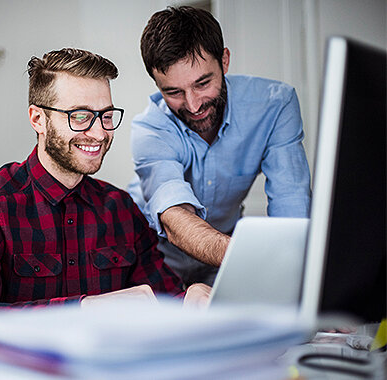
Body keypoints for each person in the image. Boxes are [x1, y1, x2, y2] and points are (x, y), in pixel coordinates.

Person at [0, 47, 210, 309]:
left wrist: (188, 299)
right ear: (38, 119)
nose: (99, 133)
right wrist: (84, 308)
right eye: (80, 116)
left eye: (106, 116)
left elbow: (162, 301)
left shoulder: (121, 209)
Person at [128, 6, 311, 286]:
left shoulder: (275, 106)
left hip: (223, 254)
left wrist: (301, 280)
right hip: (153, 256)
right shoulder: (150, 128)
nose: (193, 105)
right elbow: (176, 217)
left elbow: (291, 209)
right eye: (173, 92)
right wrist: (255, 258)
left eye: (203, 83)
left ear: (224, 61)